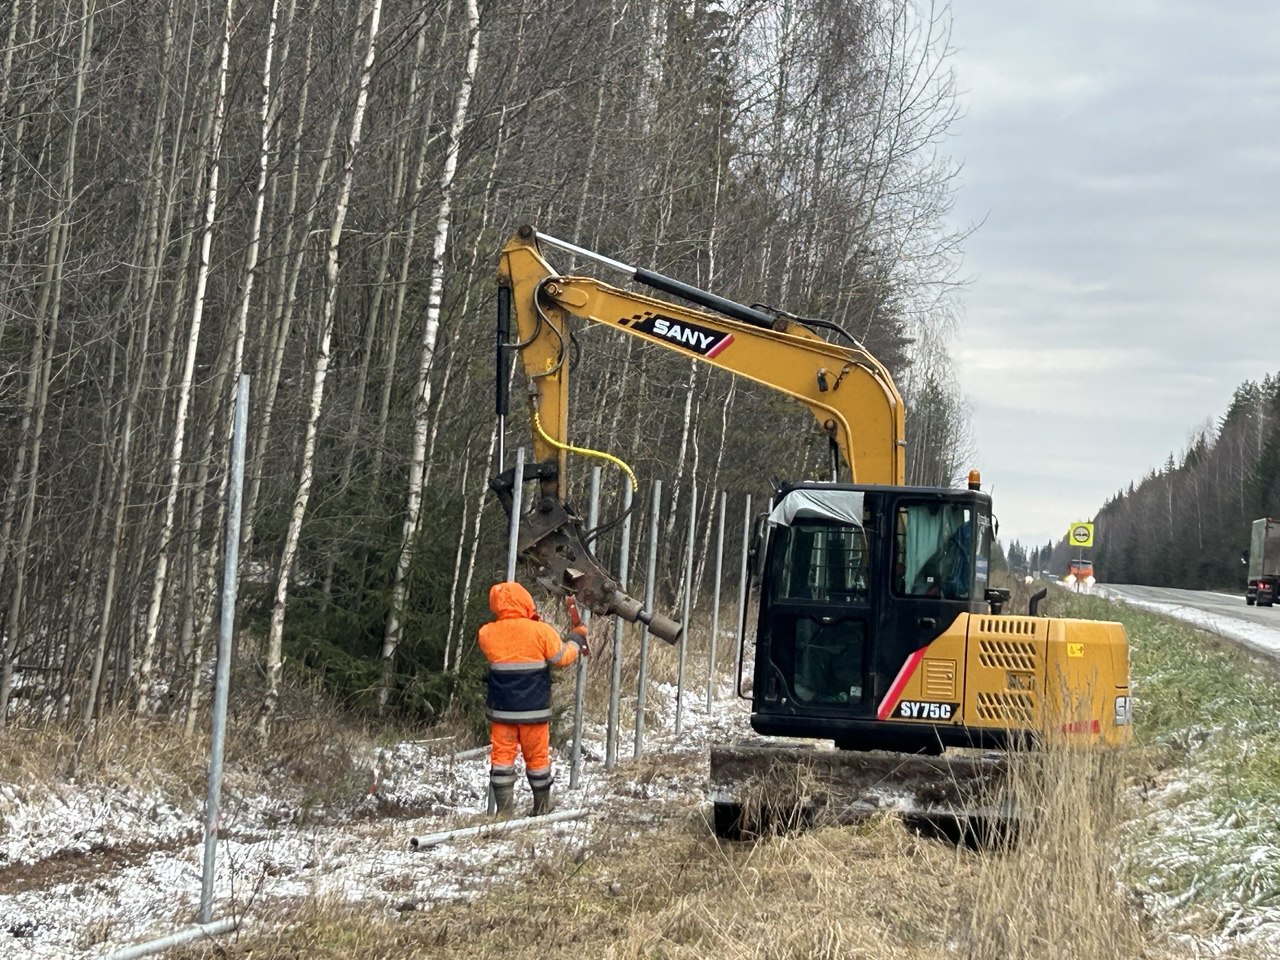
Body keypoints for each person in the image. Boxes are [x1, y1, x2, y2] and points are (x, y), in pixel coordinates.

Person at [477, 581, 587, 816]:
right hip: (534, 710)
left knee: (502, 757)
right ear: (526, 601)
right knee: (537, 758)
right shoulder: (541, 631)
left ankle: (504, 812)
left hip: (502, 710)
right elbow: (562, 658)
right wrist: (576, 640)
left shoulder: (487, 633)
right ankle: (541, 808)